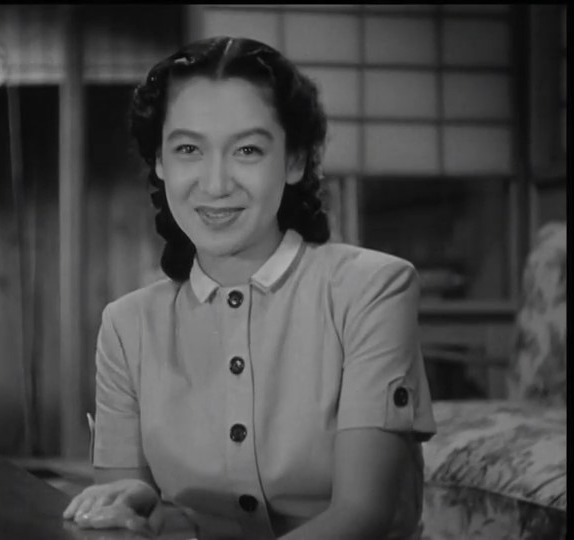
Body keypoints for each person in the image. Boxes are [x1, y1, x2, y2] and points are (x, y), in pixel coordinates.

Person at [63, 36, 436, 540]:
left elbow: (361, 514)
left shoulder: (371, 289)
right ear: (160, 162)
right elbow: (126, 511)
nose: (216, 184)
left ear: (295, 160)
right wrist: (141, 504)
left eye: (247, 150)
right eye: (188, 149)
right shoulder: (126, 326)